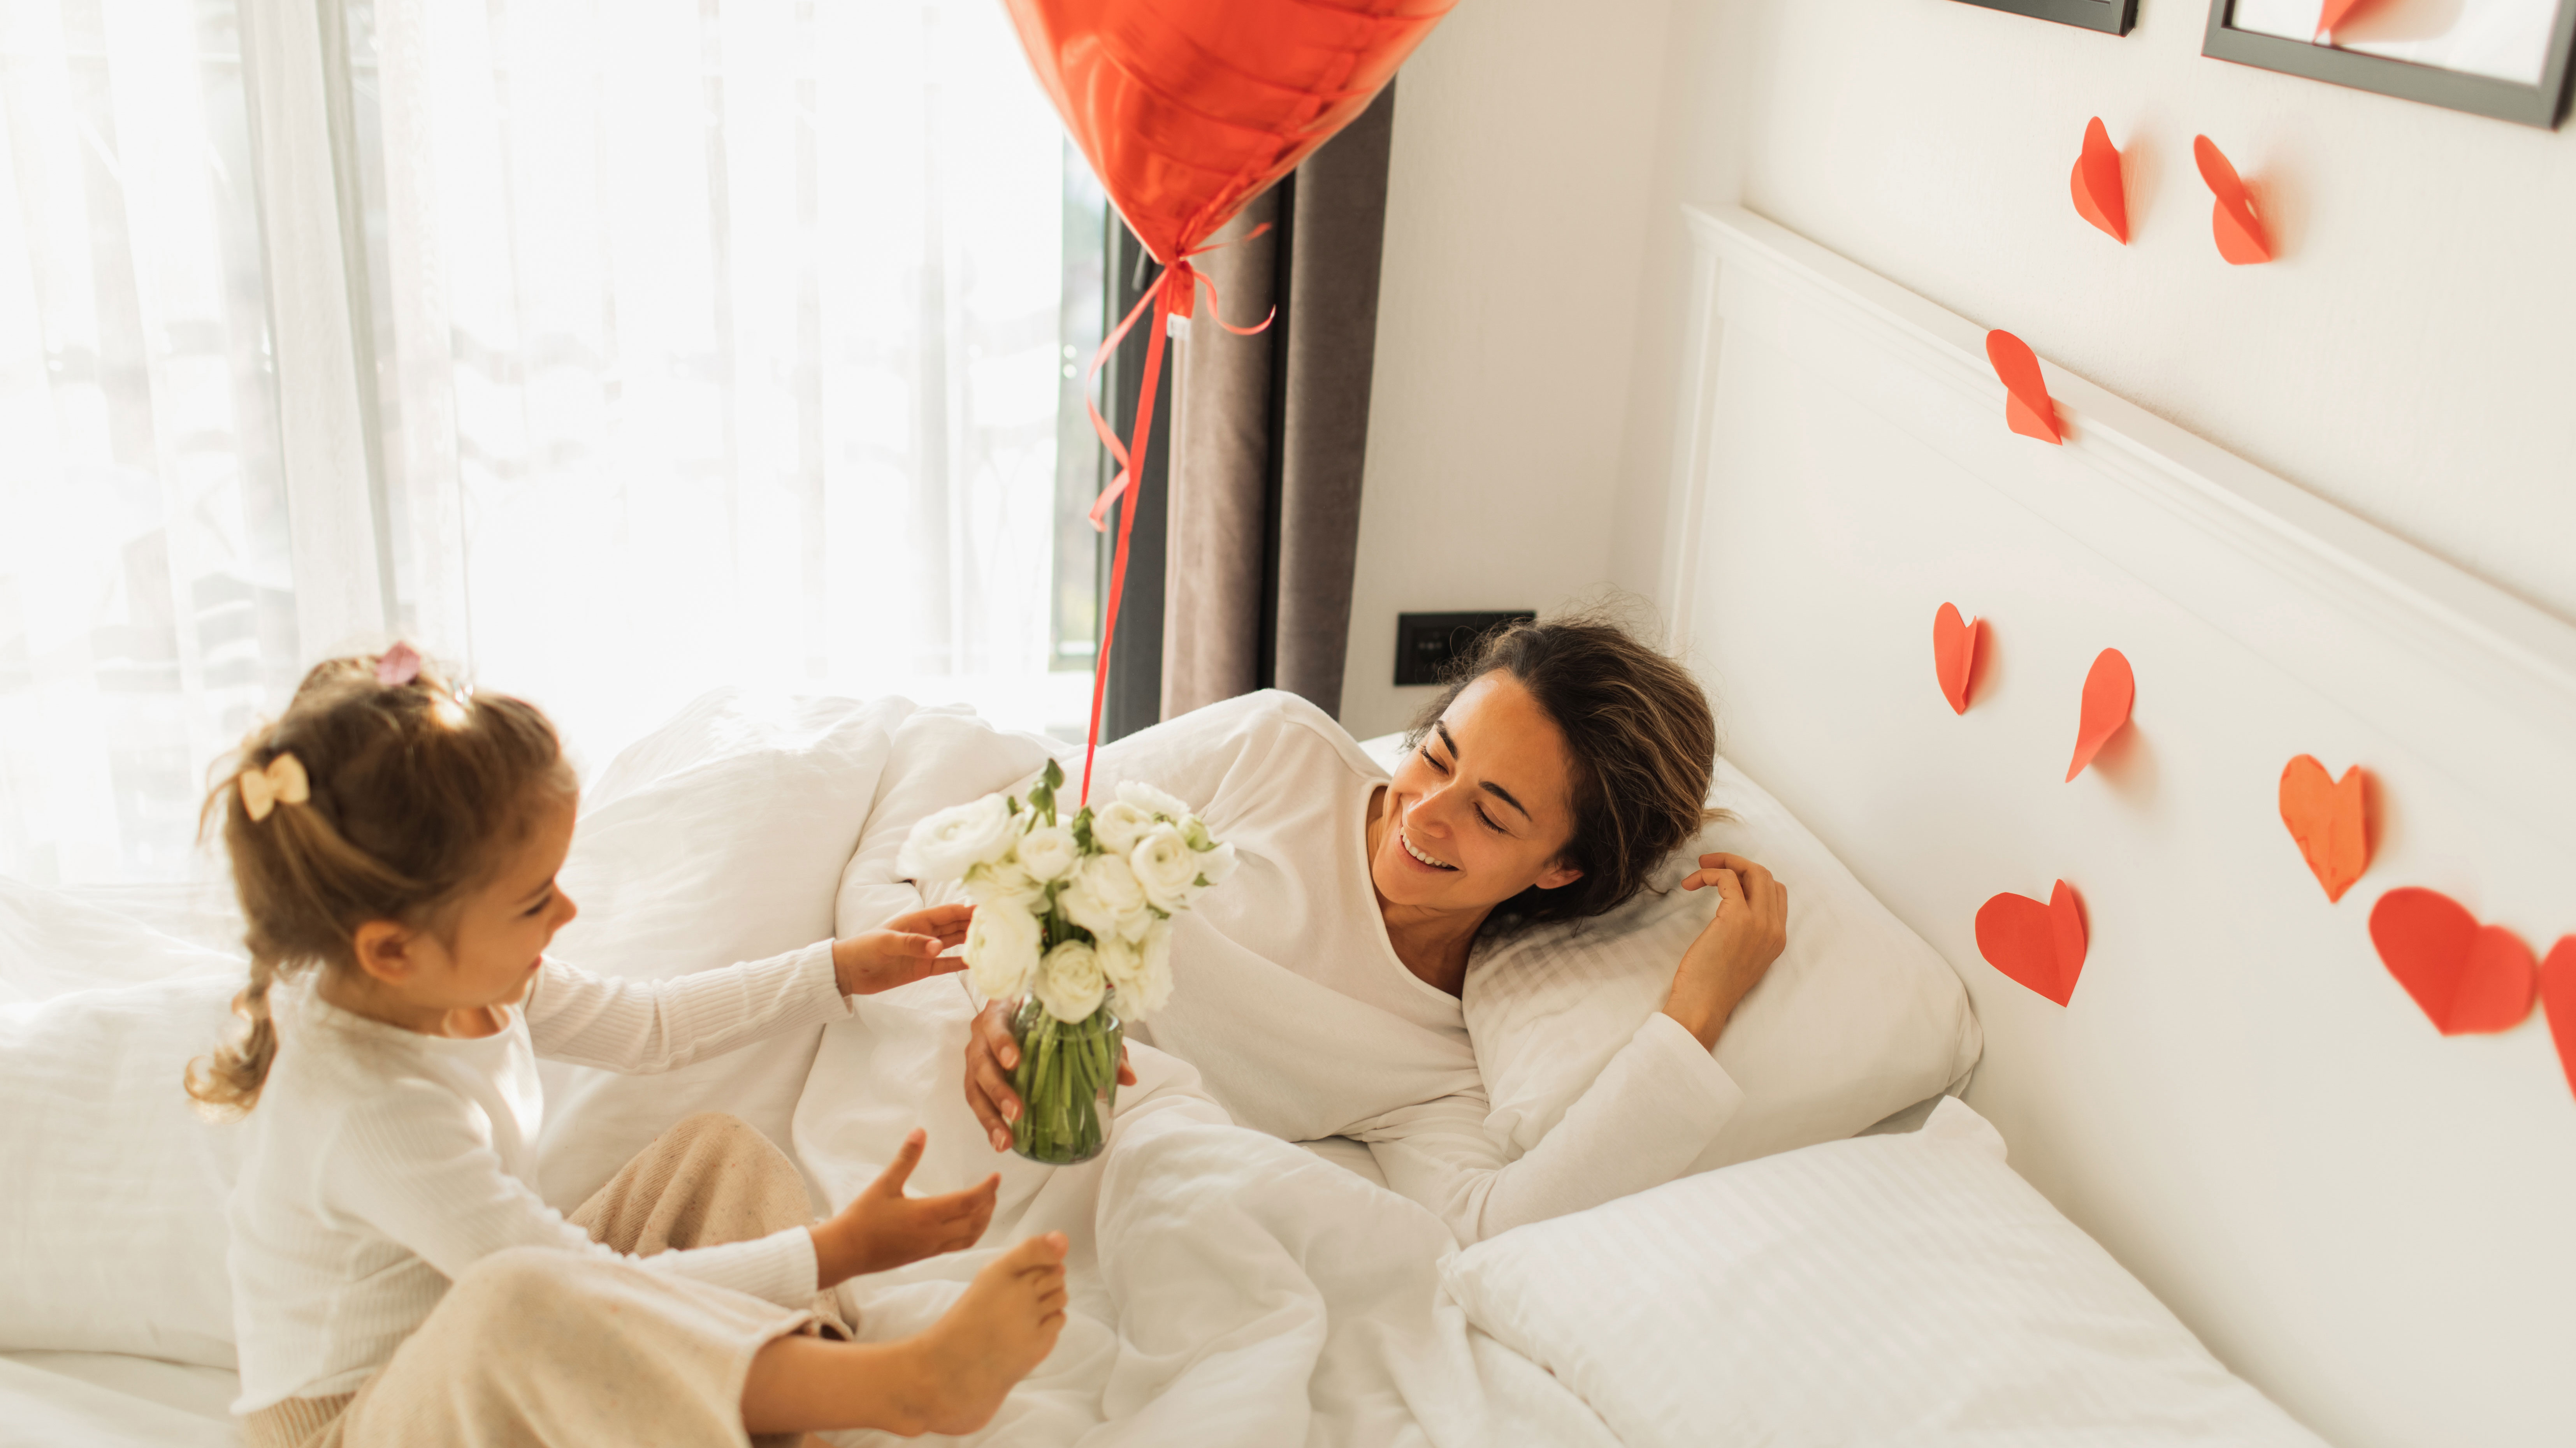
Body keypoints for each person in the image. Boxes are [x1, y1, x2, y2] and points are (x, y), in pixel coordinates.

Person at [194, 647, 1068, 1448]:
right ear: (392, 948)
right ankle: (900, 1390)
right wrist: (837, 1250)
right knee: (522, 1295)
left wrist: (840, 970)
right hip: (358, 1428)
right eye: (535, 901)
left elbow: (653, 1026)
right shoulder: (366, 1106)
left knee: (719, 1156)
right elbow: (563, 1286)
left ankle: (802, 1399)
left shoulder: (452, 979)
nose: (566, 916)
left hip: (480, 1348)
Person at [958, 610, 1791, 1245]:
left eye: (1491, 816)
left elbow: (1493, 1227)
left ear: (1561, 868)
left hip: (1074, 1165)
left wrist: (1698, 1011)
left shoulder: (1433, 1061)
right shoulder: (1276, 749)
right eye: (1436, 754)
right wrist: (1005, 988)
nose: (1423, 815)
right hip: (967, 1031)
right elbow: (1012, 832)